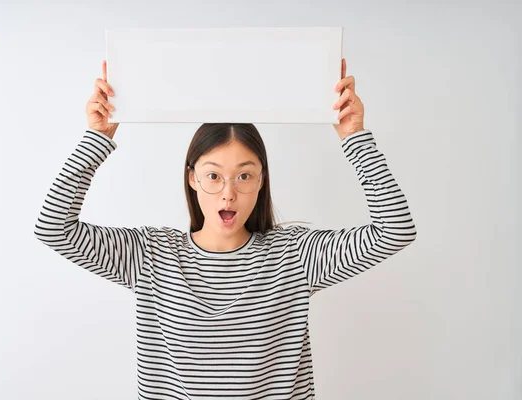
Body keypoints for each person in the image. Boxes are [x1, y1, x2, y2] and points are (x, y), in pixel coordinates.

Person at [34, 58, 417, 399]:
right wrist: (97, 138)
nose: (228, 194)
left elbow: (395, 230)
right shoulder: (149, 255)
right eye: (213, 176)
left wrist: (354, 136)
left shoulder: (295, 255)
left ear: (262, 180)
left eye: (244, 176)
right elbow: (53, 227)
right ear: (192, 179)